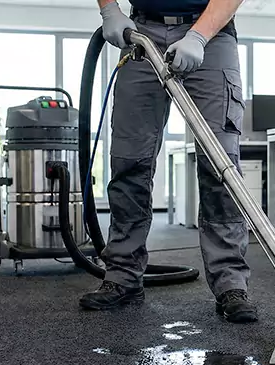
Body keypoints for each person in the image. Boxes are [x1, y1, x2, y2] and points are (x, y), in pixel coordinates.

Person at [80, 0, 257, 324]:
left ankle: (230, 282)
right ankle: (123, 275)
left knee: (220, 165)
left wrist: (199, 36)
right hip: (141, 31)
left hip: (211, 32)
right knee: (129, 161)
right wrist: (109, 10)